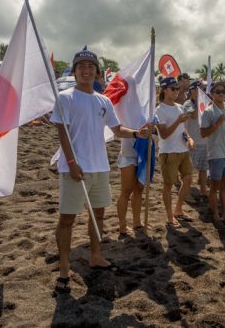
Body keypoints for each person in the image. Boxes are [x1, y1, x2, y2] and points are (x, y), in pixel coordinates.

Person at [50, 48, 149, 293]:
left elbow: (117, 130)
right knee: (67, 219)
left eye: (91, 67)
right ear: (74, 71)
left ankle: (95, 256)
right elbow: (62, 132)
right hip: (75, 168)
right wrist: (72, 163)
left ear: (96, 72)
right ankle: (64, 268)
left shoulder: (103, 100)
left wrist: (137, 132)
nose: (86, 70)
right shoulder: (65, 97)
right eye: (81, 66)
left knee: (99, 216)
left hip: (100, 168)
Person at [155, 76, 194, 228]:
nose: (177, 91)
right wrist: (178, 121)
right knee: (168, 185)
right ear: (164, 89)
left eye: (178, 88)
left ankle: (178, 210)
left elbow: (183, 130)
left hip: (182, 149)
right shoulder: (159, 110)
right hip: (168, 152)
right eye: (173, 88)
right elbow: (163, 134)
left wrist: (189, 138)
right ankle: (170, 216)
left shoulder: (179, 107)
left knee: (188, 179)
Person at [200, 81, 225, 227]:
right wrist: (217, 124)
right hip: (216, 153)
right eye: (218, 92)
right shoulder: (208, 112)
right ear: (212, 94)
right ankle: (216, 215)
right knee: (215, 188)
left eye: (223, 91)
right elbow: (203, 133)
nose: (221, 94)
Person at [185, 80, 208, 199]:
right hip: (193, 141)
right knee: (189, 170)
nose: (201, 92)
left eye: (202, 89)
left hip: (205, 141)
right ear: (191, 91)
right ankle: (186, 192)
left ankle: (203, 190)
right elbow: (193, 114)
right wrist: (204, 106)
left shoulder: (206, 104)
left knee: (204, 168)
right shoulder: (188, 103)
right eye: (198, 90)